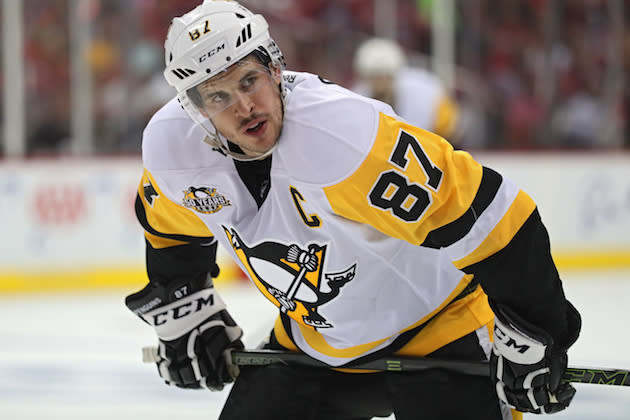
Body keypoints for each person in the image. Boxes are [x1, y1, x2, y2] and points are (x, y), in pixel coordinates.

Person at [125, 1, 581, 419]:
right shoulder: (174, 148)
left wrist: (537, 331)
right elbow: (171, 230)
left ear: (275, 69)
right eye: (219, 97)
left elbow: (496, 217)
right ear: (195, 109)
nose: (244, 107)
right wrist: (188, 312)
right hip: (319, 347)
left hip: (442, 330)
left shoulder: (343, 137)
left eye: (249, 81)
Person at [352, 37, 462, 145]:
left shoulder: (425, 92)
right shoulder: (355, 100)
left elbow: (450, 131)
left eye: (386, 76)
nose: (381, 83)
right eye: (375, 77)